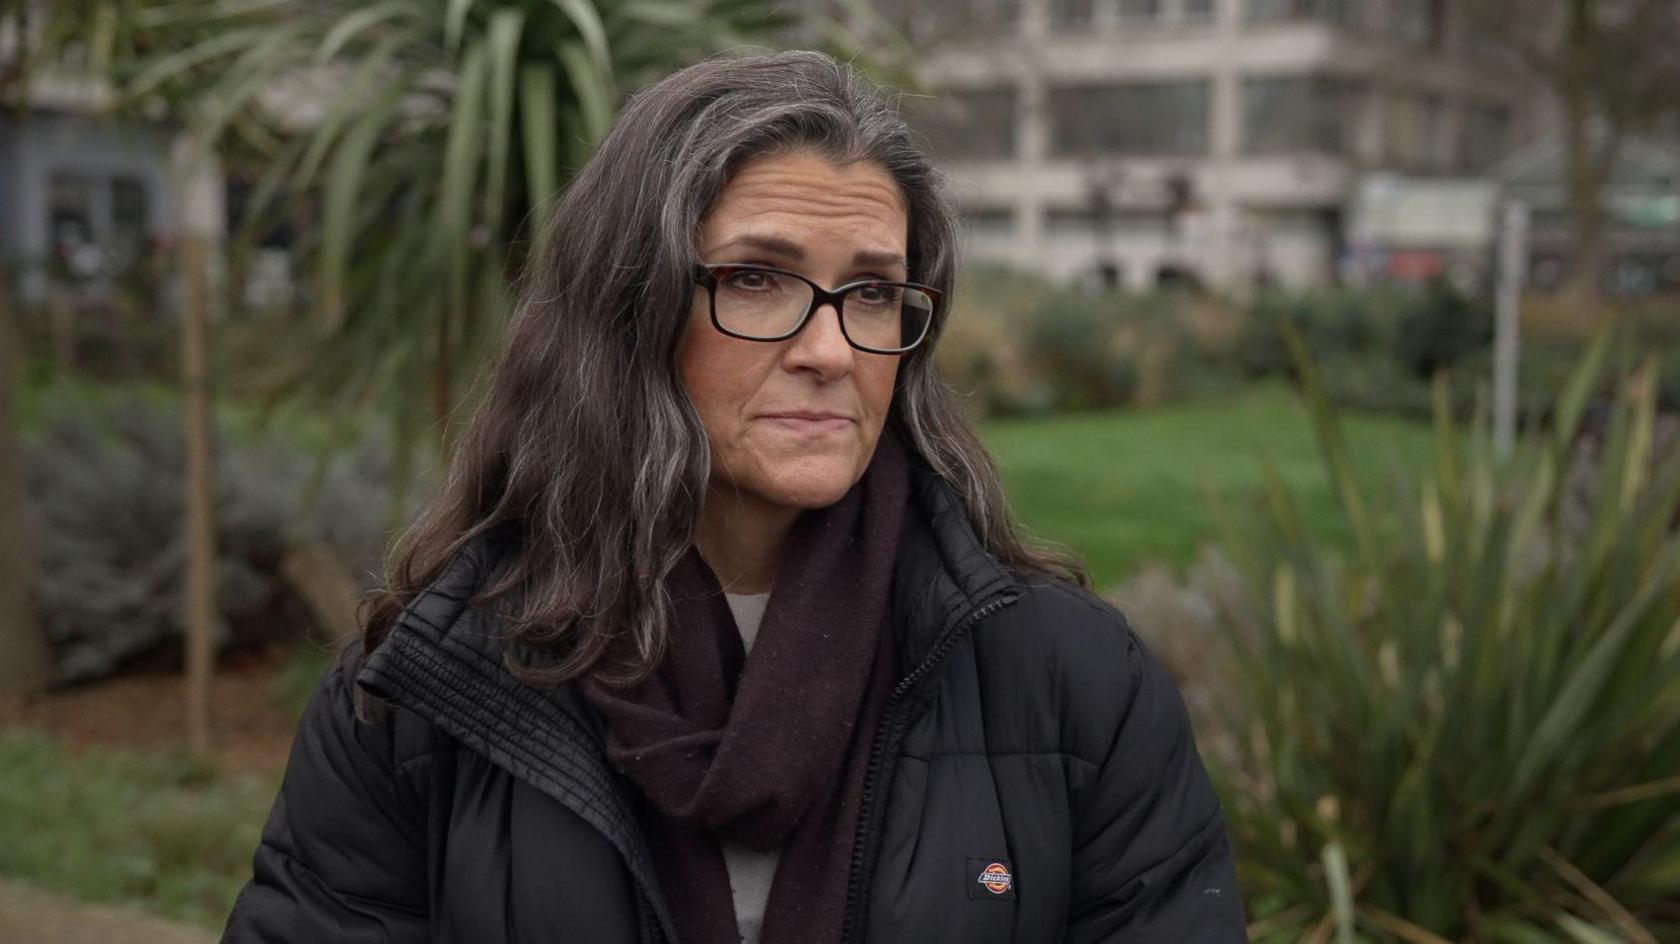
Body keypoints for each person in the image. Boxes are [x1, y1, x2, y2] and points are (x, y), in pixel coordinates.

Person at [222, 51, 1244, 944]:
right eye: (758, 279)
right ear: (632, 308)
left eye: (874, 291)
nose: (831, 349)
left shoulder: (1071, 683)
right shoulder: (430, 689)